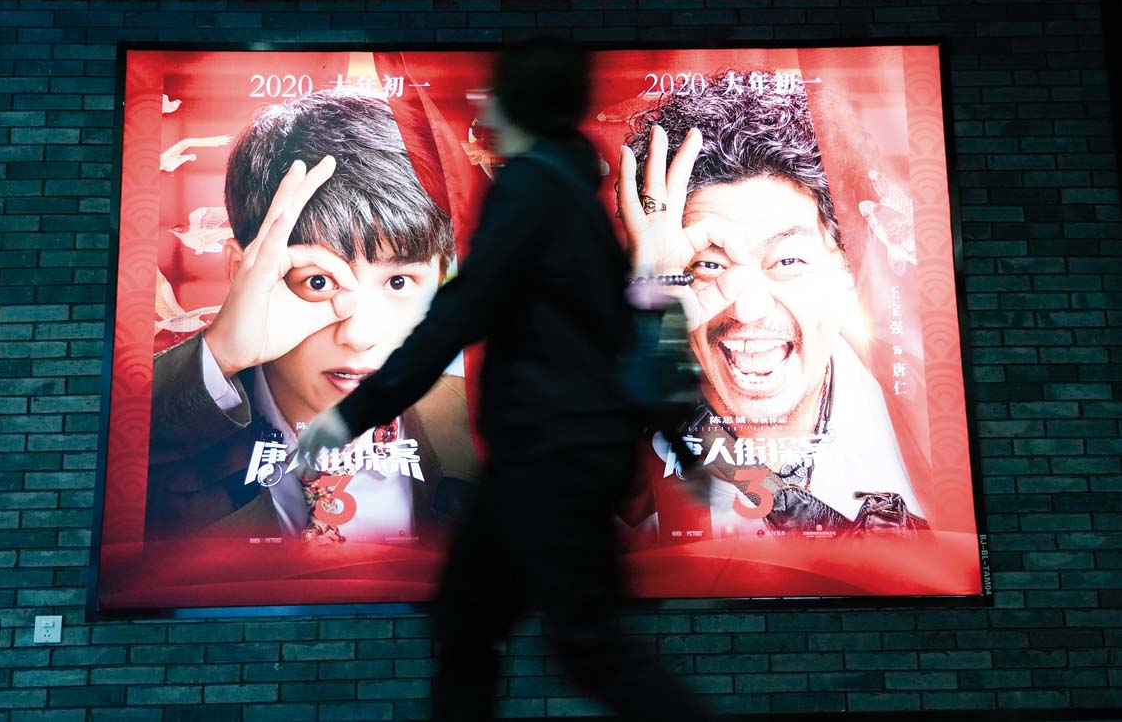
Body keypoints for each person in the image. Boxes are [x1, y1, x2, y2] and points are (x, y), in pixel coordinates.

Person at [301, 40, 714, 722]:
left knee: (571, 644)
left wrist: (353, 413)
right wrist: (679, 442)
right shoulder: (573, 194)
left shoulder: (531, 189)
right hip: (565, 454)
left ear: (519, 103)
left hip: (548, 456)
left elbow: (460, 312)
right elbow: (621, 330)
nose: (484, 105)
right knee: (481, 627)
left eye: (495, 92)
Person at [146, 90, 477, 544]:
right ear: (241, 271)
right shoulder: (168, 432)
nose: (360, 335)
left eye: (399, 282)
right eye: (319, 282)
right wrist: (219, 353)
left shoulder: (486, 422)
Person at [617, 72, 927, 542]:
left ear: (848, 271)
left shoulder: (925, 424)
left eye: (787, 261)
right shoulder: (623, 471)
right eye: (708, 265)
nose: (747, 308)